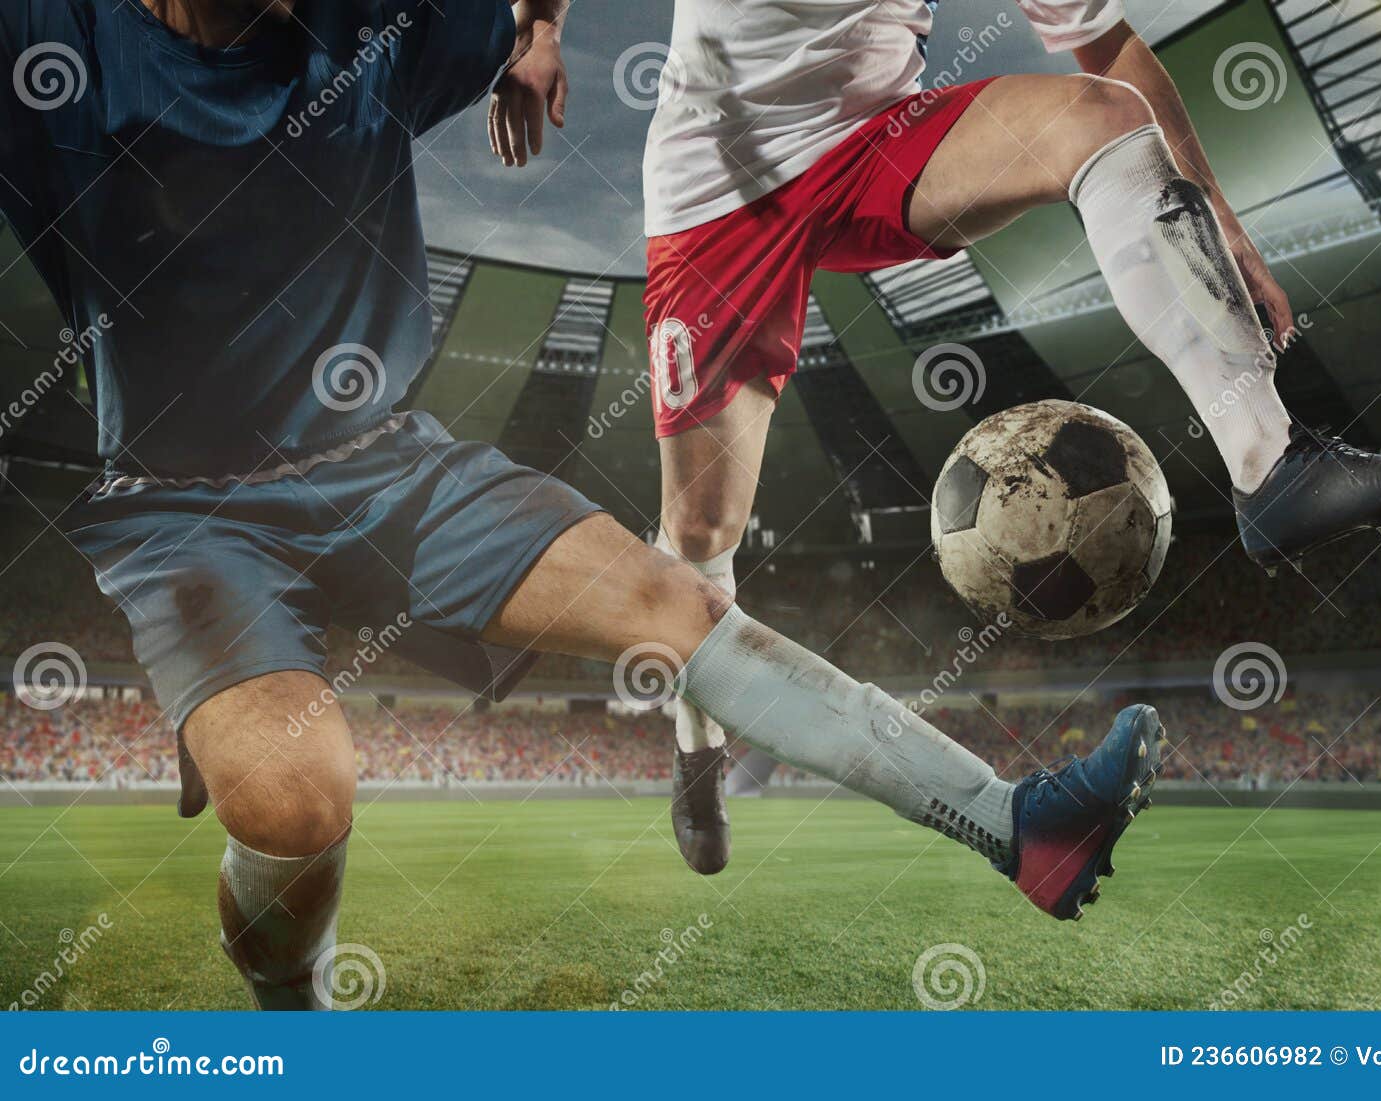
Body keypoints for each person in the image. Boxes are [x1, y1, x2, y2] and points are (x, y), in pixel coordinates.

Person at [2, 0, 1160, 1010]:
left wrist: (541, 34)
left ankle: (1022, 828)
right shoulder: (50, 46)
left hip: (390, 467)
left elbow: (506, 12)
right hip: (186, 512)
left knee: (677, 604)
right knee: (298, 807)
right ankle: (299, 1018)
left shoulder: (372, 24)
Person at [492, 0, 1381, 874]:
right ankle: (698, 743)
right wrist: (537, 32)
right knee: (701, 531)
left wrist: (1220, 223)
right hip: (716, 188)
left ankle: (1271, 464)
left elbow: (1110, 47)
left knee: (1102, 118)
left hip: (874, 141)